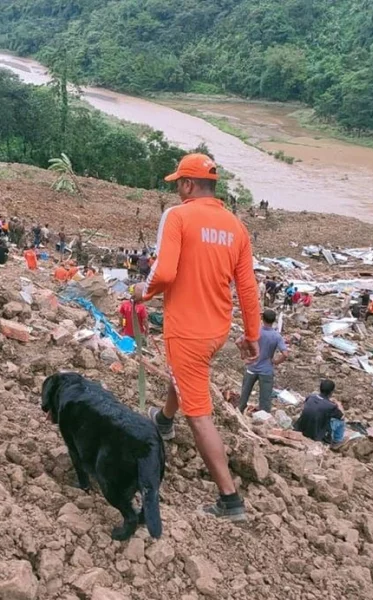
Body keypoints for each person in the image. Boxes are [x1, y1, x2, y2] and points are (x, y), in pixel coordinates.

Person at [133, 153, 260, 521]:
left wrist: (144, 291)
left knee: (199, 412)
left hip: (186, 330)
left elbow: (165, 272)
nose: (177, 192)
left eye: (178, 185)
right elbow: (248, 287)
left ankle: (229, 498)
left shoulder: (178, 216)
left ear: (187, 185)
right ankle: (164, 421)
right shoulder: (236, 227)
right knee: (186, 377)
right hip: (216, 330)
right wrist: (251, 334)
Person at [238, 309, 288, 413]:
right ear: (274, 321)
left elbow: (238, 341)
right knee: (265, 399)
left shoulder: (255, 331)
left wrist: (245, 354)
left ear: (262, 318)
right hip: (266, 370)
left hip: (251, 367)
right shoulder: (276, 336)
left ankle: (239, 412)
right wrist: (276, 362)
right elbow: (285, 354)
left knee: (244, 394)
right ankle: (264, 419)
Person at [294, 379, 345, 445]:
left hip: (301, 430)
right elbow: (342, 417)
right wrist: (338, 404)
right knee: (340, 421)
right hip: (317, 436)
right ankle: (337, 442)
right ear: (331, 392)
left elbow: (318, 405)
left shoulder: (311, 397)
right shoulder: (331, 406)